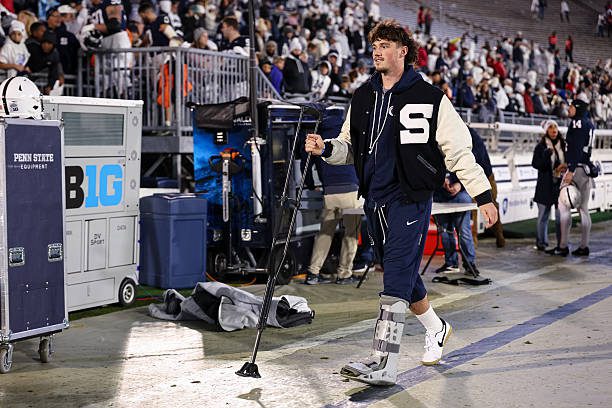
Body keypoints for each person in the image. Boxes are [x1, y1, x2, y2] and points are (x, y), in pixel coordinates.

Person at [305, 19, 497, 386]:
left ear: (403, 51)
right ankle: (436, 328)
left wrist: (483, 196)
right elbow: (349, 148)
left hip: (410, 197)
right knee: (404, 275)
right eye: (374, 44)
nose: (376, 50)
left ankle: (382, 362)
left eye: (385, 44)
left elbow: (459, 152)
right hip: (374, 199)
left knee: (394, 274)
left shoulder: (430, 97)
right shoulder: (362, 96)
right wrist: (326, 148)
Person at [305, 114, 361, 285]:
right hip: (351, 190)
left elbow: (306, 166)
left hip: (330, 191)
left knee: (325, 232)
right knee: (351, 233)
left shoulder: (317, 136)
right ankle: (344, 274)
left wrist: (311, 185)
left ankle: (313, 273)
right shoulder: (350, 133)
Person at [553, 96, 595, 256]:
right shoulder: (589, 122)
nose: (569, 109)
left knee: (563, 206)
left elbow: (576, 148)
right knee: (584, 209)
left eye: (571, 106)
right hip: (585, 168)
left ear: (578, 108)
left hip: (576, 169)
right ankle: (584, 246)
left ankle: (563, 246)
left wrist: (570, 169)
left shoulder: (578, 122)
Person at [532, 120, 566, 251]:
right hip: (545, 186)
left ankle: (561, 244)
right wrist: (546, 155)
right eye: (551, 127)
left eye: (555, 127)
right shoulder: (541, 147)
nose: (554, 130)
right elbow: (536, 164)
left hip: (560, 185)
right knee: (543, 216)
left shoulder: (563, 145)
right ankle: (541, 243)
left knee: (560, 217)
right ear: (546, 130)